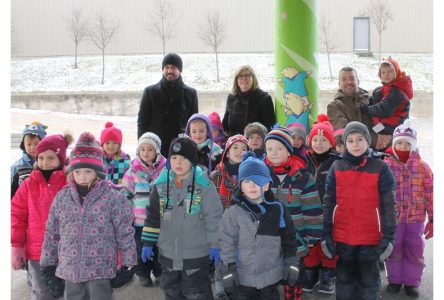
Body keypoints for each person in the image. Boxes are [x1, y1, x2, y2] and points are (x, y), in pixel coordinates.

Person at [40, 132, 137, 300]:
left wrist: (128, 264)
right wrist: (48, 264)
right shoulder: (62, 197)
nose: (82, 177)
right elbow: (52, 233)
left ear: (98, 172)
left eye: (88, 171)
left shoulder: (113, 197)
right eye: (77, 172)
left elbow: (125, 232)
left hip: (101, 270)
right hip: (70, 270)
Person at [321, 121, 397, 300]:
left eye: (360, 139)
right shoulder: (336, 167)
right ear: (344, 144)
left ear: (368, 141)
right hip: (342, 237)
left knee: (368, 281)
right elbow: (328, 203)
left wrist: (388, 237)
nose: (355, 144)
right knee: (344, 279)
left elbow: (389, 206)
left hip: (371, 239)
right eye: (351, 140)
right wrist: (325, 234)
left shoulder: (381, 168)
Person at [141, 136, 223, 299]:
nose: (178, 162)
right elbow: (153, 217)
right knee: (172, 292)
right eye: (174, 158)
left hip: (196, 255)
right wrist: (148, 243)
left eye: (184, 158)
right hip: (168, 255)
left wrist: (216, 243)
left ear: (192, 161)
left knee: (197, 293)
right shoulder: (160, 186)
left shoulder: (204, 186)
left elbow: (214, 218)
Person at [218, 152, 300, 300]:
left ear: (268, 184)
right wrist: (228, 268)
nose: (253, 186)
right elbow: (227, 242)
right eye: (247, 181)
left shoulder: (278, 210)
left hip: (270, 276)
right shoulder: (233, 213)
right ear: (240, 186)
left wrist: (291, 261)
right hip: (242, 277)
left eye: (258, 181)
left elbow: (289, 237)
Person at [263, 127, 323, 300]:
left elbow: (312, 209)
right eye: (270, 149)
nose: (273, 153)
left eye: (279, 148)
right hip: (268, 238)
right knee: (270, 277)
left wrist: (311, 237)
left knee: (294, 276)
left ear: (289, 151)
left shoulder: (303, 178)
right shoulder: (261, 176)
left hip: (296, 239)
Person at [11, 133, 72, 299]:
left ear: (60, 159)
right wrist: (17, 245)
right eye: (41, 158)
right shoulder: (29, 184)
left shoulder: (70, 183)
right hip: (37, 252)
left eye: (51, 158)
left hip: (67, 251)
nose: (45, 162)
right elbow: (17, 214)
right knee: (42, 291)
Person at [383, 120, 433, 297]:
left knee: (415, 249)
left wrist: (433, 219)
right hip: (394, 219)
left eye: (407, 143)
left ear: (414, 145)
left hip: (416, 218)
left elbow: (430, 194)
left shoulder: (423, 168)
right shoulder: (386, 166)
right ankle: (395, 280)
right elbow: (380, 194)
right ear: (394, 144)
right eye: (399, 143)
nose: (403, 146)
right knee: (394, 249)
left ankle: (412, 281)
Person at [121, 132, 166, 287]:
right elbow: (125, 192)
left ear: (157, 152)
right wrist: (127, 214)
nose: (146, 152)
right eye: (143, 149)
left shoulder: (164, 170)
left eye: (150, 149)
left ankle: (160, 273)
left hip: (159, 220)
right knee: (140, 250)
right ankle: (143, 273)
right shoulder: (133, 170)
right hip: (139, 221)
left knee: (160, 249)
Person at [304, 114, 341, 294]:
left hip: (329, 211)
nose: (319, 143)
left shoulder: (336, 161)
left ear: (331, 143)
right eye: (315, 139)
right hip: (309, 211)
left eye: (324, 139)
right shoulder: (305, 160)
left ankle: (328, 274)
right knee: (310, 244)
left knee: (328, 243)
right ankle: (311, 272)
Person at [210, 134, 249, 299]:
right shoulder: (215, 175)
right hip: (221, 225)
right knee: (221, 260)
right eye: (235, 147)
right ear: (227, 151)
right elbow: (209, 204)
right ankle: (220, 286)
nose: (239, 151)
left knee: (240, 259)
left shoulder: (249, 175)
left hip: (243, 226)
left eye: (244, 149)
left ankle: (238, 284)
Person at [137, 53, 199, 157]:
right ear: (163, 69)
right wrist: (142, 146)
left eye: (173, 67)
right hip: (155, 148)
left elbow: (194, 123)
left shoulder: (190, 93)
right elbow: (142, 123)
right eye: (167, 67)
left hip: (180, 148)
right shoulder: (149, 92)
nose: (170, 71)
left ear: (180, 70)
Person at [327, 66, 391, 151]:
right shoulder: (334, 106)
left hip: (380, 149)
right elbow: (345, 131)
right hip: (353, 152)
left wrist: (385, 137)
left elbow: (380, 123)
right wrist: (374, 139)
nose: (349, 82)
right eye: (344, 79)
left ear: (358, 81)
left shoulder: (371, 100)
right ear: (339, 84)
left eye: (352, 78)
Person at [361, 56, 413, 136]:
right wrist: (368, 100)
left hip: (393, 126)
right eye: (383, 72)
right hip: (387, 123)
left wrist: (367, 109)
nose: (386, 75)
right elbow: (380, 99)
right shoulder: (388, 88)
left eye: (390, 71)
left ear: (396, 73)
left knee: (370, 132)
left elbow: (384, 109)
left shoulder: (397, 92)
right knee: (368, 129)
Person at [222, 65, 275, 136]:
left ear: (253, 78)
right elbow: (225, 124)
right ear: (236, 80)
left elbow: (269, 127)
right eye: (240, 76)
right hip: (234, 142)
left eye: (247, 75)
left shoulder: (264, 98)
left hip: (255, 143)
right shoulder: (231, 97)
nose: (244, 78)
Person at [11, 121, 47, 198]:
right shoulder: (17, 167)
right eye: (29, 144)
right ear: (23, 145)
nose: (32, 147)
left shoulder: (48, 165)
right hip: (22, 206)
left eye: (36, 144)